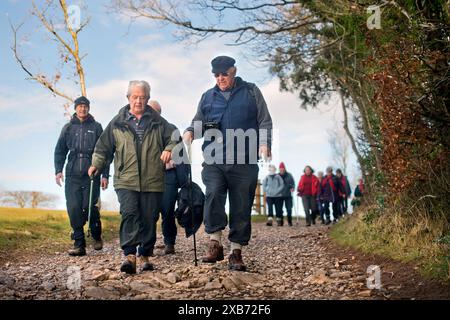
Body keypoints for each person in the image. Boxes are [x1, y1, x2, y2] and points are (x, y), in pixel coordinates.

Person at [183, 56, 272, 271]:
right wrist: (190, 132)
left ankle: (235, 251)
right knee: (213, 194)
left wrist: (264, 144)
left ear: (234, 71)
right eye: (217, 75)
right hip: (214, 159)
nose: (220, 78)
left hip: (244, 159)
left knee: (241, 204)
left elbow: (264, 120)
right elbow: (199, 122)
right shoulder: (208, 97)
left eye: (225, 74)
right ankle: (215, 242)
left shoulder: (251, 92)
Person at [88, 81, 177, 274]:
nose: (139, 101)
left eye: (143, 97)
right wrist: (96, 163)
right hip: (126, 178)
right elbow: (103, 147)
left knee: (149, 217)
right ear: (128, 98)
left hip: (153, 179)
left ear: (147, 98)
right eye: (135, 97)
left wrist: (169, 149)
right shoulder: (117, 122)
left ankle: (144, 253)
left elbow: (174, 137)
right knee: (129, 213)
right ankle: (129, 255)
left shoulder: (158, 122)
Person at [54, 96, 110, 256]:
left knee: (89, 206)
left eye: (85, 106)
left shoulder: (97, 127)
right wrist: (58, 170)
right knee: (73, 208)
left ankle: (96, 234)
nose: (82, 109)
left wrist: (105, 175)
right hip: (72, 174)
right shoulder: (67, 128)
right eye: (80, 106)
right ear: (75, 108)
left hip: (92, 174)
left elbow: (104, 152)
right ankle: (79, 244)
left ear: (89, 108)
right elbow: (60, 150)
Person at [149, 100, 190, 255]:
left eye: (155, 112)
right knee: (149, 212)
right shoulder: (142, 130)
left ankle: (169, 242)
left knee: (167, 211)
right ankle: (148, 244)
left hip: (169, 176)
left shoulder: (171, 129)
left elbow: (182, 154)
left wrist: (184, 179)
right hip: (150, 177)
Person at [278, 162, 295, 226]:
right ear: (279, 169)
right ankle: (281, 221)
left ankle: (289, 221)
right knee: (280, 209)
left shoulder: (289, 175)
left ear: (285, 169)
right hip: (279, 195)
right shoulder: (277, 176)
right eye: (280, 169)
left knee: (289, 208)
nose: (282, 170)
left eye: (283, 169)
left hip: (288, 195)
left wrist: (292, 188)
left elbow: (292, 183)